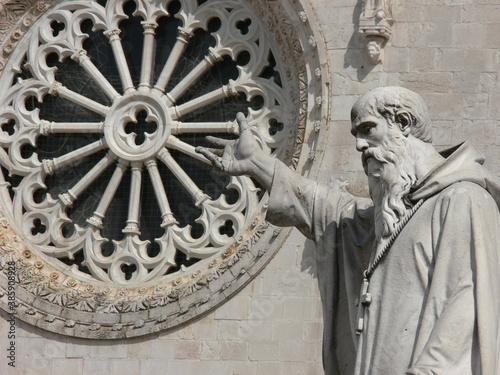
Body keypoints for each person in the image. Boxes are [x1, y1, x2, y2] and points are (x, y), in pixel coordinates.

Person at [196, 87, 500, 374]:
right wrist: (259, 162)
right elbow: (322, 207)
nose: (359, 145)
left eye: (368, 129)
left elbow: (466, 307)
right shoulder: (389, 219)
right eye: (356, 135)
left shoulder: (463, 200)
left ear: (404, 123)